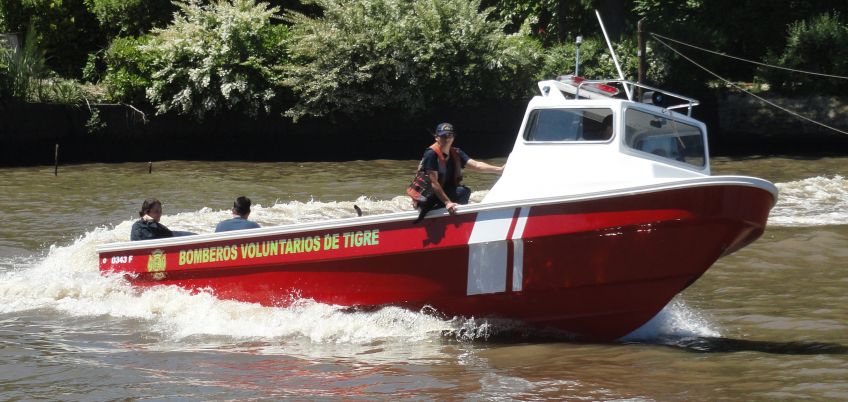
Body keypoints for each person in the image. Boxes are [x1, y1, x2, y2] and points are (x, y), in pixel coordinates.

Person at [414, 122, 504, 216]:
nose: (447, 139)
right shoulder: (431, 154)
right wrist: (447, 202)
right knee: (462, 192)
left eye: (450, 135)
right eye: (444, 136)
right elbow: (433, 183)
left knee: (465, 191)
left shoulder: (456, 153)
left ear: (453, 137)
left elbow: (477, 165)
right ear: (437, 137)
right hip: (427, 197)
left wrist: (500, 169)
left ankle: (457, 215)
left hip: (443, 192)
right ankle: (450, 215)